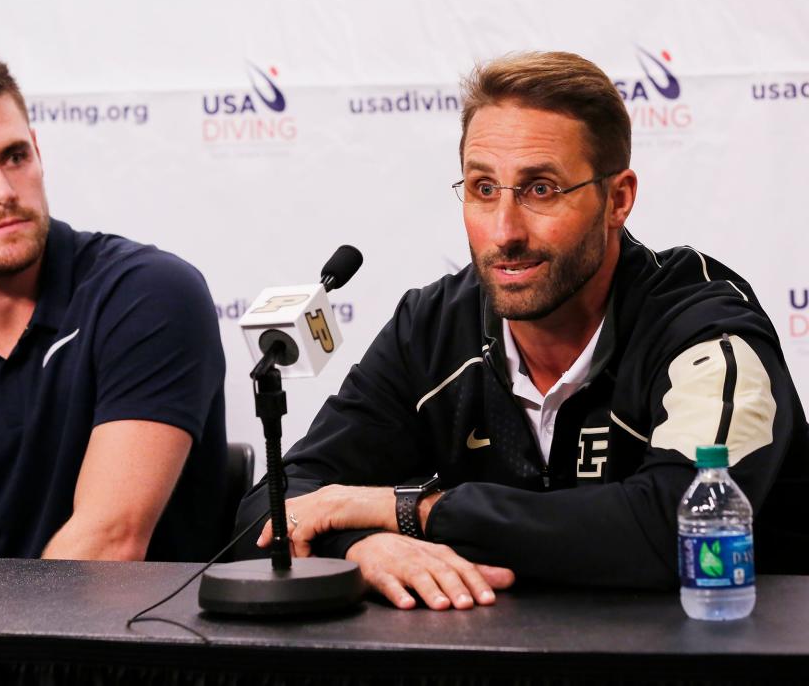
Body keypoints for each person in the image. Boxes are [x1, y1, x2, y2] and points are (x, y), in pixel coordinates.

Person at [234, 51, 809, 609]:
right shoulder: (433, 327)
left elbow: (679, 529)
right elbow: (277, 506)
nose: (505, 231)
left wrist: (412, 510)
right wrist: (361, 545)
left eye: (541, 189)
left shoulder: (703, 328)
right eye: (484, 189)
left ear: (618, 199)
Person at [0, 31, 227, 562]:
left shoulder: (149, 295)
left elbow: (108, 546)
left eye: (14, 156)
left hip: (137, 640)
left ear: (37, 150)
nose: (2, 190)